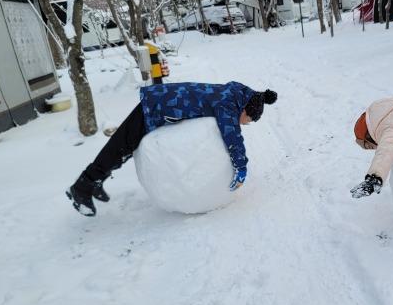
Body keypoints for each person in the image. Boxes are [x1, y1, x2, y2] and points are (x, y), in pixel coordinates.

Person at [67, 81, 278, 216]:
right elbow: (232, 136)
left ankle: (95, 181)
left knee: (123, 149)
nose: (246, 123)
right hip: (155, 106)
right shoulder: (228, 103)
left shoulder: (233, 95)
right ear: (245, 110)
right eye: (248, 119)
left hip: (159, 104)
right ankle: (82, 188)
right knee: (119, 147)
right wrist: (241, 167)